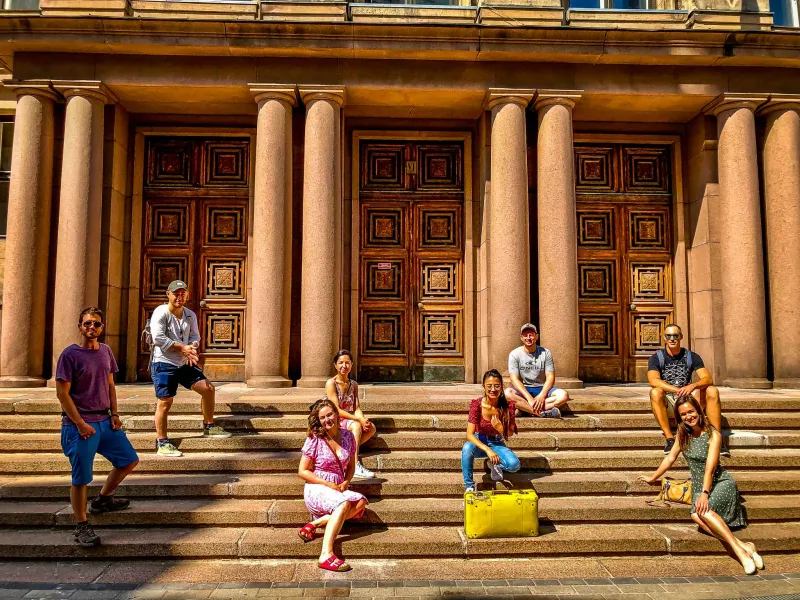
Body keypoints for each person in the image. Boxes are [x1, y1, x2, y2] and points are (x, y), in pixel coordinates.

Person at [639, 396, 762, 575]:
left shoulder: (713, 435)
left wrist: (704, 493)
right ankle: (743, 545)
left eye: (691, 411)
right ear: (680, 418)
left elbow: (710, 469)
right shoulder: (683, 435)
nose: (689, 416)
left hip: (720, 483)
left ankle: (740, 554)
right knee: (697, 516)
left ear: (699, 411)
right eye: (683, 414)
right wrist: (653, 477)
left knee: (700, 512)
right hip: (698, 486)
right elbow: (670, 457)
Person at [56, 307, 139, 547]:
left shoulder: (105, 352)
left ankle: (103, 499)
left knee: (128, 460)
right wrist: (79, 423)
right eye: (88, 324)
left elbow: (110, 385)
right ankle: (81, 525)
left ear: (102, 328)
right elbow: (63, 394)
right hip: (80, 424)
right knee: (81, 478)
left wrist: (115, 413)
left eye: (97, 324)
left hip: (105, 421)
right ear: (79, 326)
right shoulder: (70, 355)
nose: (92, 328)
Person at [150, 279, 230, 457]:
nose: (179, 297)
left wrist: (192, 348)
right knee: (165, 402)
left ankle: (209, 426)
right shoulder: (161, 313)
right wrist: (182, 348)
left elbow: (195, 336)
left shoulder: (190, 315)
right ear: (168, 295)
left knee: (208, 389)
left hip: (184, 363)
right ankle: (162, 442)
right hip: (164, 363)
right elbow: (158, 338)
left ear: (186, 295)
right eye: (176, 293)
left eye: (182, 294)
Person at [297, 398, 368, 572]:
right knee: (343, 504)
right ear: (318, 420)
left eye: (330, 415)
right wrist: (327, 483)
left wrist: (346, 481)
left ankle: (314, 524)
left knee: (361, 503)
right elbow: (303, 471)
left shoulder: (348, 436)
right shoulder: (315, 438)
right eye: (322, 418)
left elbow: (351, 466)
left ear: (337, 415)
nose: (327, 420)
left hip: (338, 486)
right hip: (317, 486)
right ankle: (326, 554)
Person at [647, 324, 727, 456]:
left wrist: (692, 386)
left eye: (675, 336)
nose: (672, 339)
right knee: (655, 392)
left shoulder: (692, 356)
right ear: (664, 338)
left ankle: (717, 439)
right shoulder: (656, 357)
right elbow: (653, 380)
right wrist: (676, 390)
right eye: (668, 336)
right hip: (668, 400)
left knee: (712, 390)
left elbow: (707, 379)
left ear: (681, 337)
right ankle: (670, 439)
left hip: (688, 399)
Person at [462, 369, 537, 491]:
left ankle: (493, 464)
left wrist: (500, 428)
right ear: (484, 387)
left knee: (514, 465)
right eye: (489, 386)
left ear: (502, 387)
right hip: (479, 441)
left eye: (497, 386)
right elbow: (469, 435)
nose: (493, 389)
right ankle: (469, 486)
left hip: (496, 442)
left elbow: (510, 433)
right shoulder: (477, 404)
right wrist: (487, 450)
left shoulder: (508, 406)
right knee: (466, 448)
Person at [325, 349, 376, 479]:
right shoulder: (331, 383)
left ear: (351, 364)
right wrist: (357, 421)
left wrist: (363, 419)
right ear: (335, 365)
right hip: (333, 421)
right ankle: (354, 464)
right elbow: (335, 410)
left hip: (346, 420)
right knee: (356, 426)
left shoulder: (353, 384)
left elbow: (356, 407)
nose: (344, 366)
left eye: (347, 363)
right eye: (341, 363)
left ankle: (345, 451)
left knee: (371, 429)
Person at [506, 323, 570, 418]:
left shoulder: (545, 353)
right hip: (524, 389)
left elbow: (550, 376)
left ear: (536, 336)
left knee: (563, 395)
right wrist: (529, 398)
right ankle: (540, 413)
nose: (528, 338)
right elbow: (514, 379)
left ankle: (525, 409)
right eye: (525, 335)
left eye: (531, 334)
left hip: (542, 388)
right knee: (507, 393)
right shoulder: (514, 354)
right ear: (521, 337)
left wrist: (542, 395)